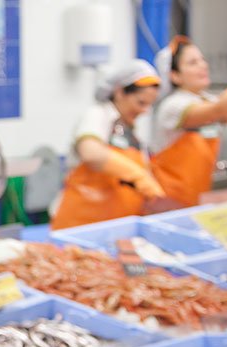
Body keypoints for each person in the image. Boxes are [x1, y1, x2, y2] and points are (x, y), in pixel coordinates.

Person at [51, 59, 164, 230]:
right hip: (81, 226)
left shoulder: (132, 132)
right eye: (140, 103)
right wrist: (138, 176)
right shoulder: (97, 115)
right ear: (119, 92)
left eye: (149, 105)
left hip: (115, 228)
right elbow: (91, 153)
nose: (144, 111)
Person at [151, 35, 227, 209]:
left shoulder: (205, 100)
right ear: (174, 76)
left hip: (193, 199)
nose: (203, 65)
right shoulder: (173, 105)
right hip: (166, 201)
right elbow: (218, 110)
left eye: (202, 60)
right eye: (192, 63)